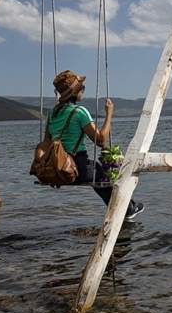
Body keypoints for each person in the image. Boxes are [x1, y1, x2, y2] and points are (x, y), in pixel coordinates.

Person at [45, 70, 144, 219]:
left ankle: (124, 210)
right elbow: (101, 140)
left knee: (98, 171)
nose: (83, 91)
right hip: (78, 168)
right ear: (76, 92)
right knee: (106, 174)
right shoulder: (79, 112)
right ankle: (127, 208)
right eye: (82, 88)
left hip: (59, 168)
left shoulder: (52, 114)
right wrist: (109, 113)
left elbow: (47, 143)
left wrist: (56, 172)